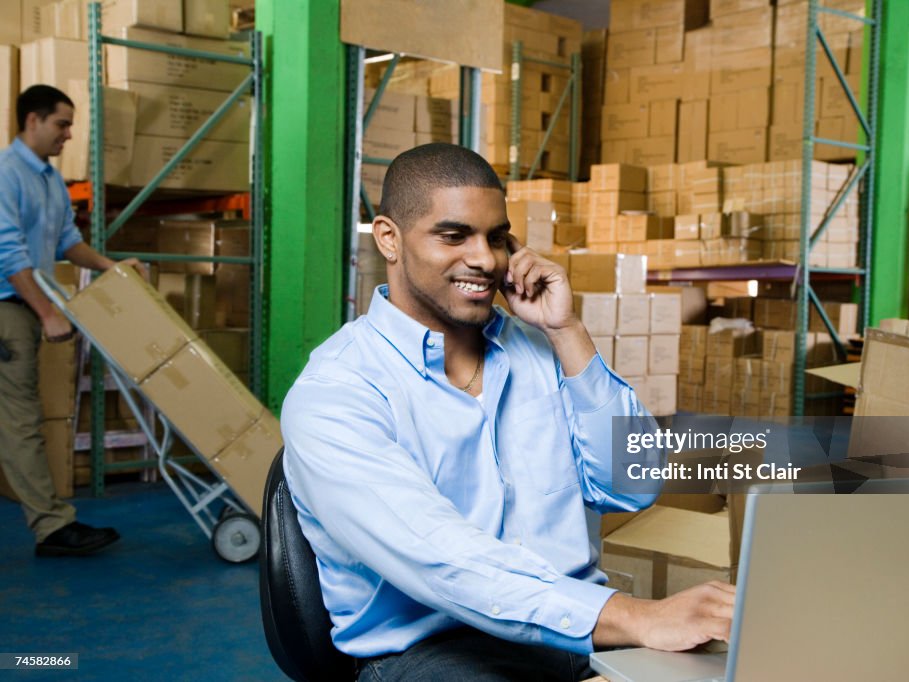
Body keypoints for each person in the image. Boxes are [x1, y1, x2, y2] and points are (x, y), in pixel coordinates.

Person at [282, 143, 735, 681]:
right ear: (389, 238)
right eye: (454, 236)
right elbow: (445, 563)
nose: (485, 260)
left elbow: (633, 486)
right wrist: (637, 616)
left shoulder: (537, 351)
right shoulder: (337, 391)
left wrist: (567, 332)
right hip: (439, 654)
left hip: (574, 628)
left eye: (497, 238)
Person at [0, 85, 139, 556]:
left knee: (16, 420)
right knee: (20, 422)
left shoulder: (50, 180)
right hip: (8, 310)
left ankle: (51, 523)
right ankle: (52, 527)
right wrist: (46, 313)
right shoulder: (7, 173)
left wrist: (111, 268)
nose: (69, 133)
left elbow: (67, 242)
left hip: (21, 307)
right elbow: (8, 254)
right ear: (33, 121)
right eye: (62, 123)